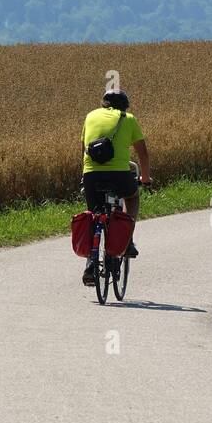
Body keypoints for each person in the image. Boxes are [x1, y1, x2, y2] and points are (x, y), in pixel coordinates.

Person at [80, 88, 151, 285]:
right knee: (132, 196)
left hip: (91, 174)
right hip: (119, 174)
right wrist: (145, 178)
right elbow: (143, 154)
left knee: (93, 215)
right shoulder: (128, 119)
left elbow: (83, 148)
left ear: (104, 103)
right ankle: (126, 239)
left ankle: (90, 266)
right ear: (124, 106)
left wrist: (85, 174)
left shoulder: (90, 116)